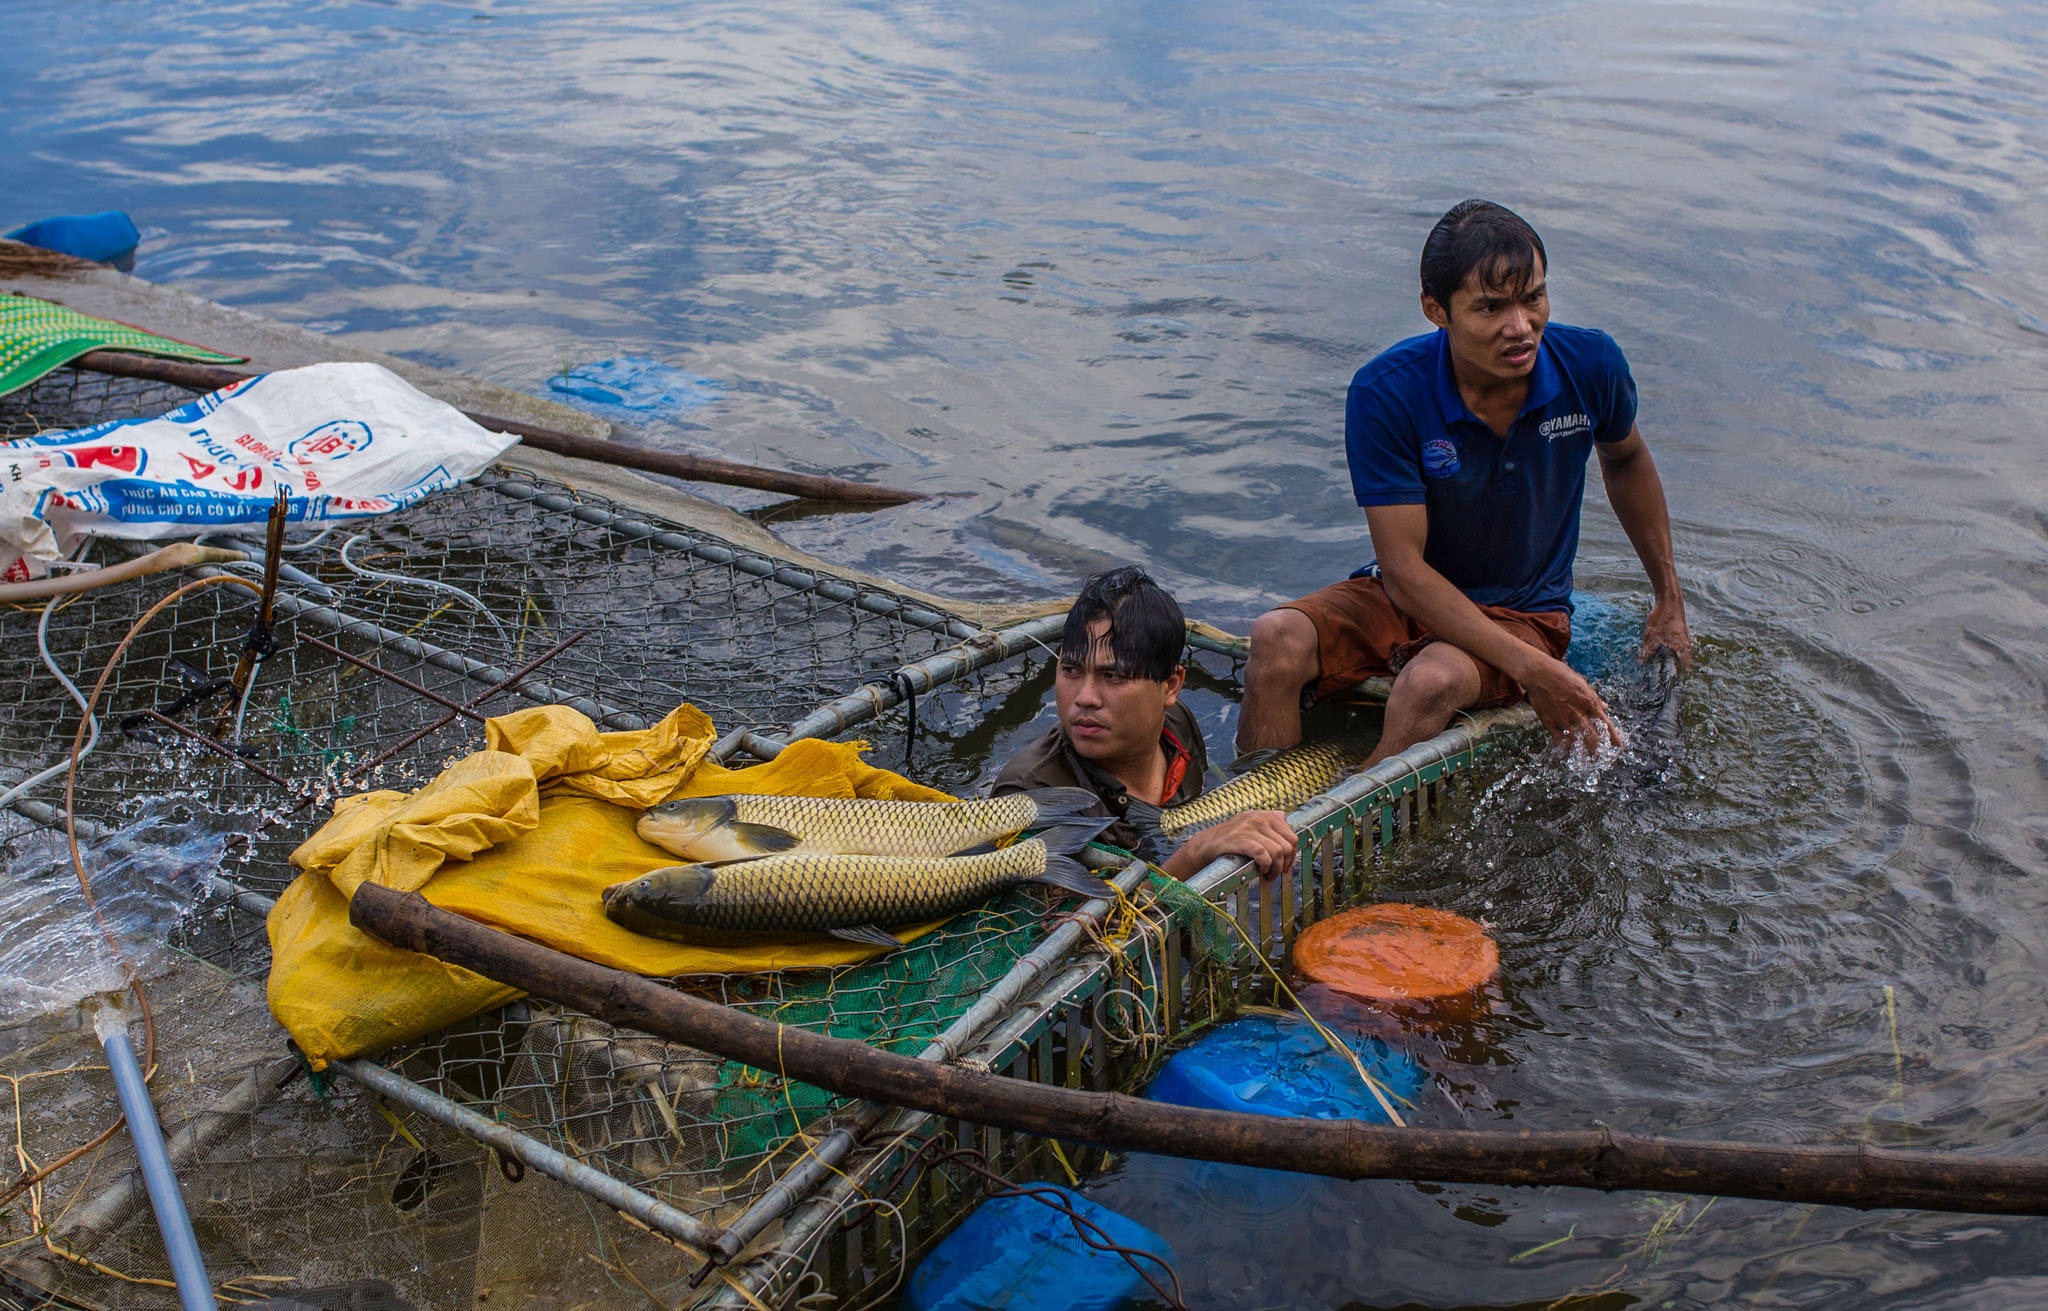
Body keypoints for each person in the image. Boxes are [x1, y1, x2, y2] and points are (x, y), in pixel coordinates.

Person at [1237, 199, 1691, 767]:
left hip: (1526, 613)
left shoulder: (1591, 365)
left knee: (1428, 682)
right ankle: (1250, 810)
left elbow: (1625, 459)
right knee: (1275, 638)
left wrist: (1667, 597)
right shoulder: (1386, 392)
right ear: (1436, 310)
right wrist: (1538, 675)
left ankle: (1341, 831)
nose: (1521, 327)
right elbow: (1402, 573)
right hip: (1407, 595)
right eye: (1490, 308)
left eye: (1534, 298)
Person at [993, 567, 1298, 880]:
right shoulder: (1028, 794)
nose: (1085, 698)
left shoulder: (1176, 722)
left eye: (1113, 676)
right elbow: (1088, 925)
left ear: (1170, 686)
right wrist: (1196, 851)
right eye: (1071, 671)